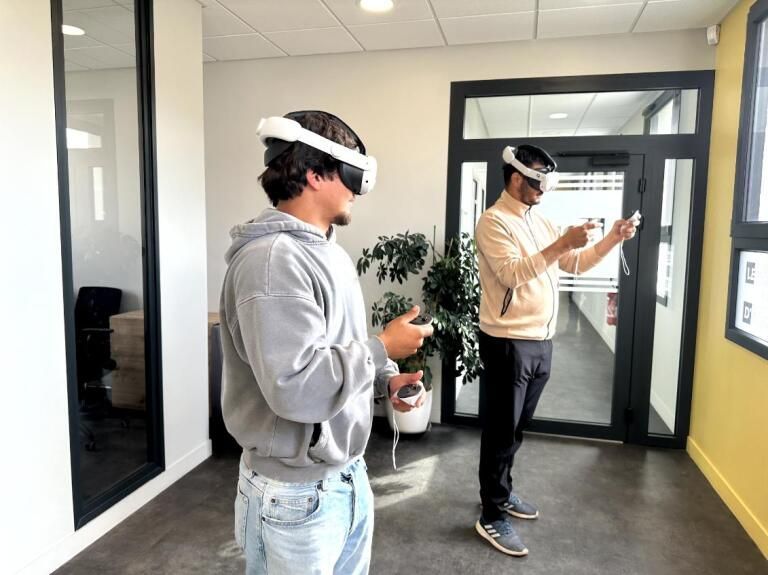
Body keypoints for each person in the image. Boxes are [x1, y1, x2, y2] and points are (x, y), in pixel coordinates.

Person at [219, 110, 433, 575]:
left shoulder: (326, 251)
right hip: (295, 495)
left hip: (344, 477)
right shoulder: (272, 262)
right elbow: (295, 387)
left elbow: (337, 344)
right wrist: (381, 348)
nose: (358, 190)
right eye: (351, 174)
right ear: (315, 174)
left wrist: (385, 381)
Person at [473, 144, 638, 556]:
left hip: (540, 342)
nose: (543, 190)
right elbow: (511, 274)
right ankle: (491, 514)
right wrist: (561, 244)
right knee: (500, 431)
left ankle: (501, 491)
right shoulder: (493, 221)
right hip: (507, 342)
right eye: (537, 181)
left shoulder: (541, 220)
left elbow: (575, 263)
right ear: (516, 177)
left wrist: (612, 239)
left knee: (516, 428)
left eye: (547, 182)